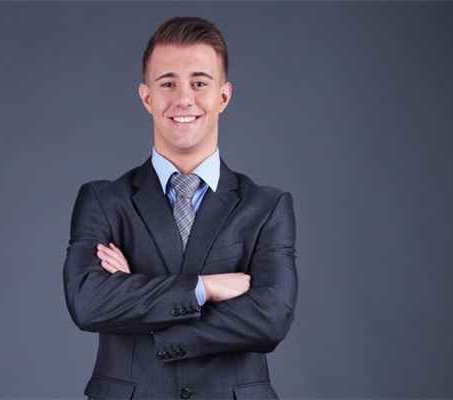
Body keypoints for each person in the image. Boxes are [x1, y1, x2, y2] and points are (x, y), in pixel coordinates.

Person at [63, 16, 298, 400]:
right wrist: (207, 287)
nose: (184, 99)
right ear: (147, 97)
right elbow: (88, 304)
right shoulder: (103, 201)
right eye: (168, 83)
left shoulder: (267, 207)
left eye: (199, 83)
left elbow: (271, 319)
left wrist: (133, 299)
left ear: (223, 96)